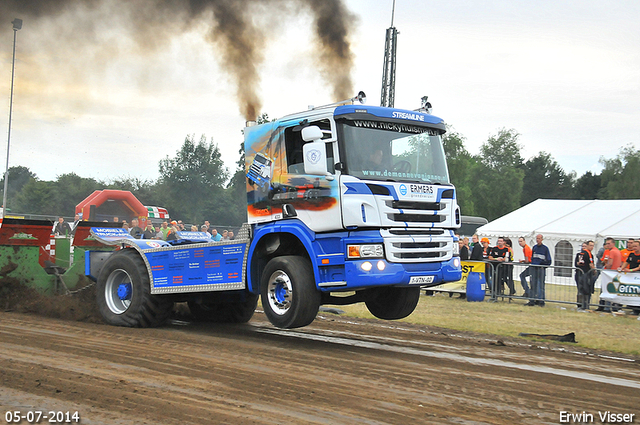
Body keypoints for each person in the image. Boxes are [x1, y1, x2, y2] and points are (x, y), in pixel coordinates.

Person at [525, 234, 552, 307]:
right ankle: (532, 300)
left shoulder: (545, 249)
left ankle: (541, 301)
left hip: (540, 269)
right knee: (533, 284)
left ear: (542, 239)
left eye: (539, 238)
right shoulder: (534, 248)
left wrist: (542, 265)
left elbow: (549, 261)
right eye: (537, 238)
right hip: (534, 268)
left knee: (541, 285)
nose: (538, 240)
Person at [574, 241, 595, 310]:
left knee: (581, 289)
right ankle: (584, 305)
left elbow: (578, 263)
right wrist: (594, 271)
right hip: (585, 273)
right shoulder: (588, 254)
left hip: (580, 272)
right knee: (586, 289)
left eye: (593, 246)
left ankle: (581, 305)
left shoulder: (580, 254)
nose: (592, 247)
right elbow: (591, 264)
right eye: (591, 245)